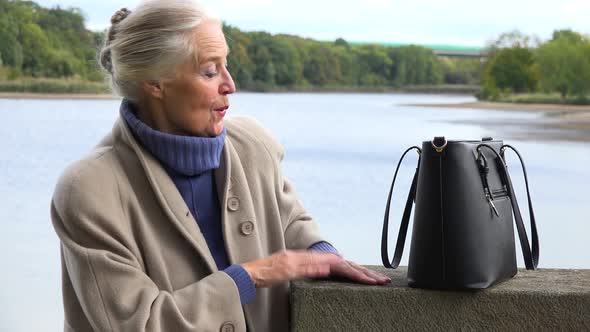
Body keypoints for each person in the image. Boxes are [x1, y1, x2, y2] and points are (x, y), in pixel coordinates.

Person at [50, 1, 390, 331]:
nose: (230, 84)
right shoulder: (88, 189)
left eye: (226, 66)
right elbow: (137, 323)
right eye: (210, 71)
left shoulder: (254, 144)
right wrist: (254, 274)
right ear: (155, 83)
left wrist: (322, 253)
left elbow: (287, 218)